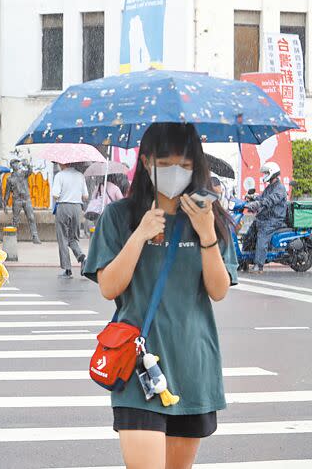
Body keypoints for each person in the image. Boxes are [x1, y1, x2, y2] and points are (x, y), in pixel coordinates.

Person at [83, 123, 238, 469]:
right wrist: (139, 235)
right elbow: (109, 287)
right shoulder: (119, 216)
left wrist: (207, 234)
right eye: (166, 163)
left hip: (192, 366)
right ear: (147, 162)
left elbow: (219, 290)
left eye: (185, 165)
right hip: (137, 365)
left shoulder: (207, 216)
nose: (176, 172)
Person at [243, 162, 288, 273]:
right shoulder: (270, 187)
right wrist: (253, 198)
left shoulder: (280, 188)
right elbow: (262, 197)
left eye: (266, 173)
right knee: (249, 234)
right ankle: (243, 261)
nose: (264, 175)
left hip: (274, 219)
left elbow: (270, 200)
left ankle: (259, 265)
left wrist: (258, 204)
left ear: (272, 173)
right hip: (265, 217)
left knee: (262, 235)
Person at [52, 163, 89, 278]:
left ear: (63, 163)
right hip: (77, 208)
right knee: (73, 238)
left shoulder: (60, 175)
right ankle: (82, 257)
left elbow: (55, 194)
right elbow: (86, 196)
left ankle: (67, 270)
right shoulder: (80, 176)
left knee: (62, 238)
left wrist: (64, 194)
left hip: (63, 206)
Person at [4, 159, 41, 244]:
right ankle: (13, 237)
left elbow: (30, 171)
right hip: (16, 200)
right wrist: (5, 204)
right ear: (12, 166)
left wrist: (28, 165)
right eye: (14, 163)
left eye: (17, 163)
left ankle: (35, 237)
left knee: (31, 218)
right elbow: (7, 192)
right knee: (15, 220)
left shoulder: (24, 174)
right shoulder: (10, 179)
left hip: (26, 199)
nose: (17, 165)